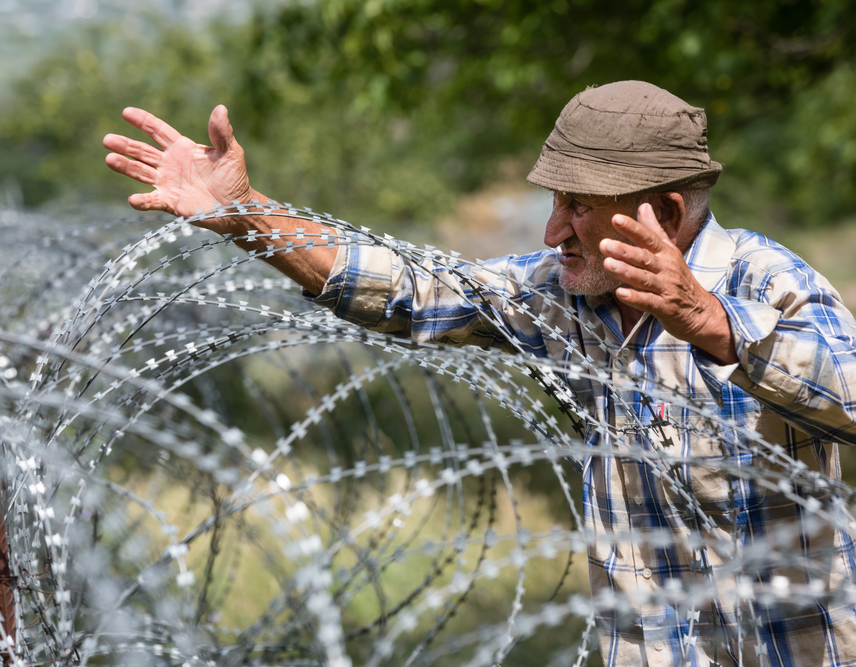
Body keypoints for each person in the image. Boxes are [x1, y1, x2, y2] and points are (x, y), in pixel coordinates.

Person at [104, 81, 856, 666]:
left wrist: (713, 325)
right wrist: (245, 213)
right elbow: (408, 287)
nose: (553, 231)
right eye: (555, 201)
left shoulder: (768, 284)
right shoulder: (564, 294)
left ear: (662, 210)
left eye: (580, 207)